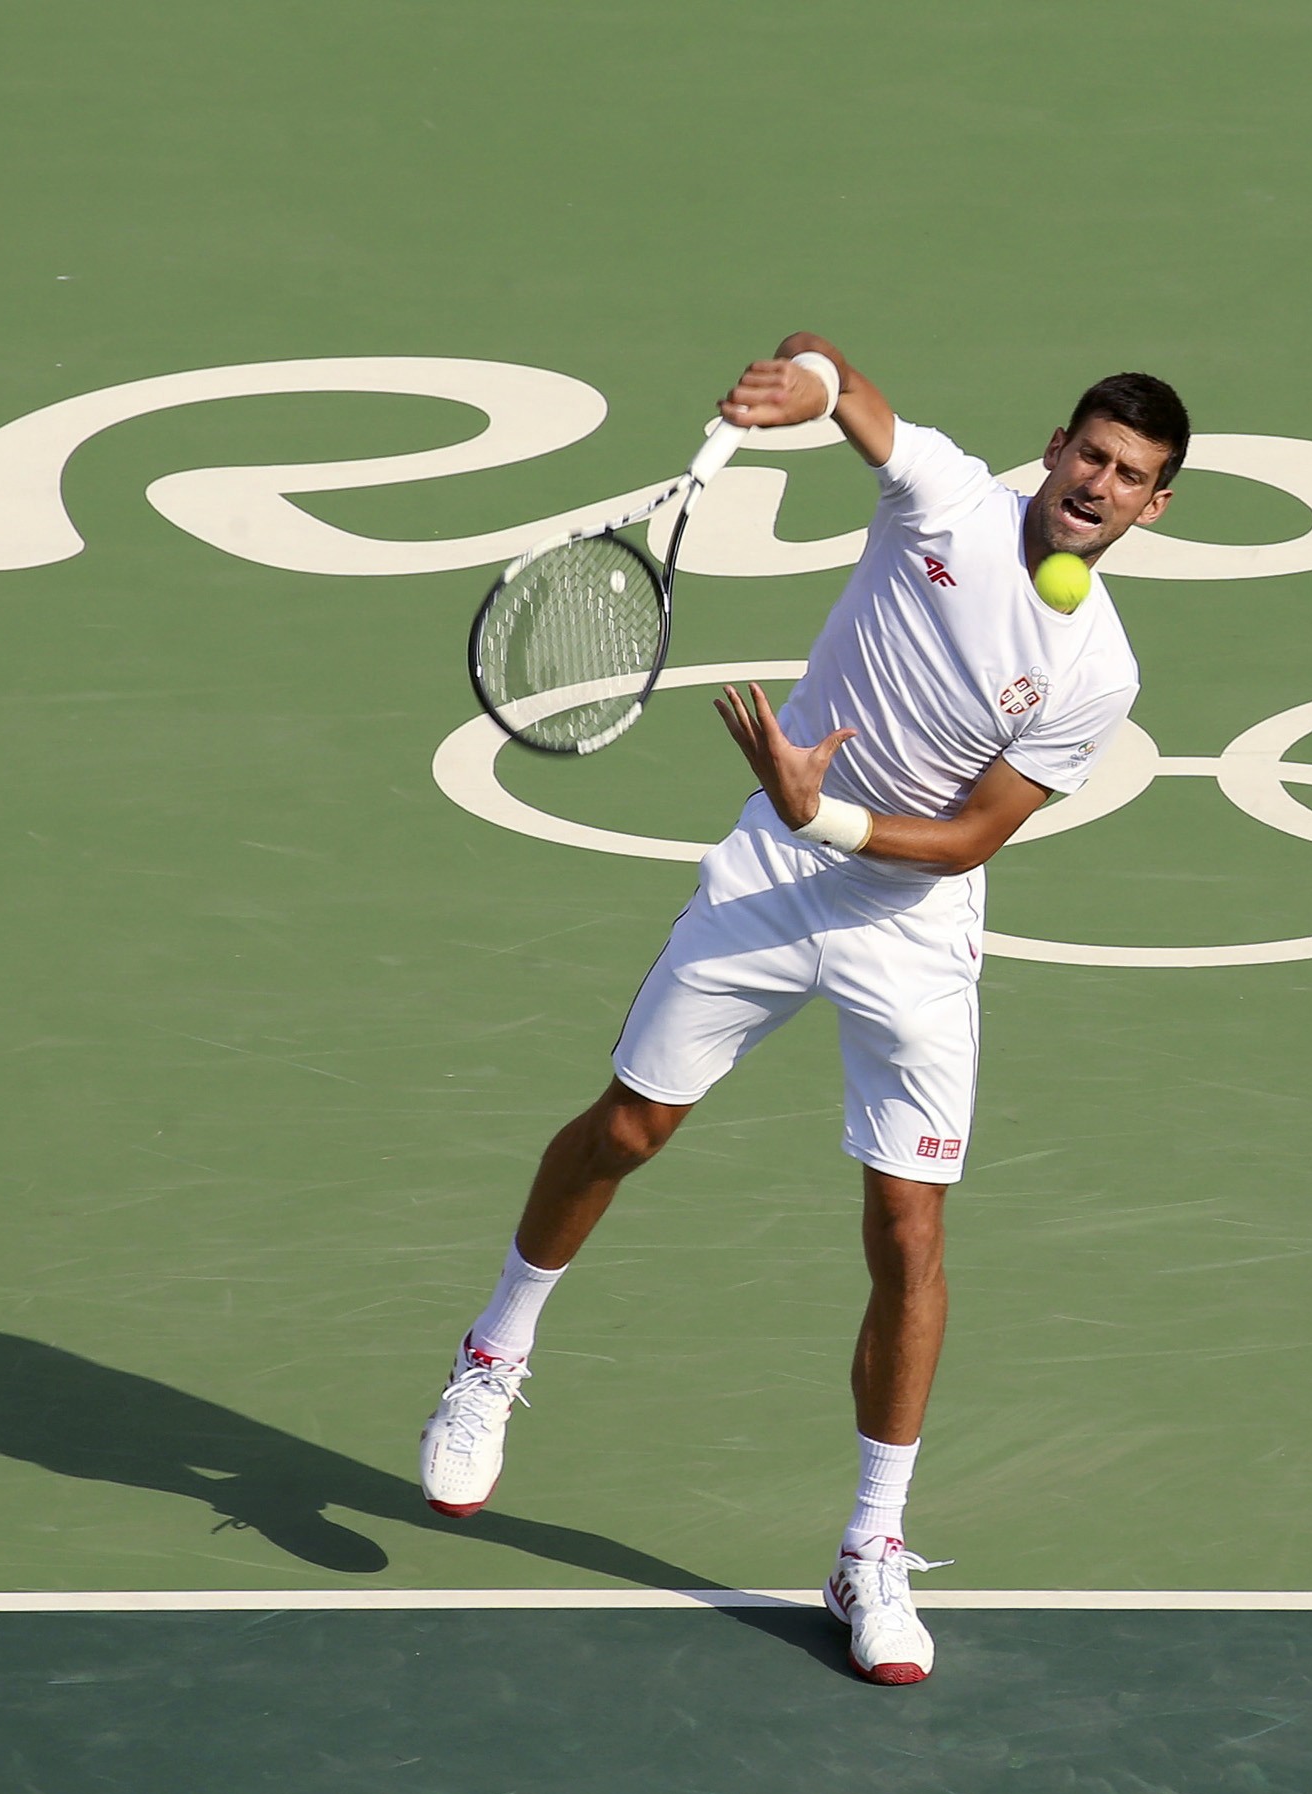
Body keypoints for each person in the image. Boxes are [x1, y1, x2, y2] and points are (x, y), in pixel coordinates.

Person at [414, 338, 1186, 1684]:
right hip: (770, 881)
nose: (1099, 487)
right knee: (631, 1127)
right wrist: (806, 385)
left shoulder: (1096, 674)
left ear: (1153, 508)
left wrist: (817, 801)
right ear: (1056, 449)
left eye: (1132, 478)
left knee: (908, 1227)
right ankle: (494, 1348)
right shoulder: (943, 499)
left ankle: (871, 1549)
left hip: (910, 923)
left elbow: (964, 846)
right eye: (1090, 456)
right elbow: (852, 391)